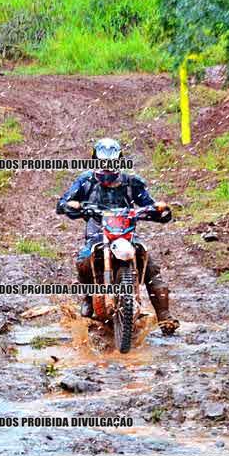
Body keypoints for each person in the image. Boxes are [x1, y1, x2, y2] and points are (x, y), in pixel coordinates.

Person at [56, 138, 179, 335]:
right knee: (83, 260)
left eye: (111, 163)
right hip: (97, 233)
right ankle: (88, 298)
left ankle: (165, 316)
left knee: (150, 266)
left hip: (125, 233)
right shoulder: (85, 181)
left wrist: (157, 209)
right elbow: (64, 202)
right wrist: (73, 205)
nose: (107, 168)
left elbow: (148, 203)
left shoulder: (132, 182)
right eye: (103, 163)